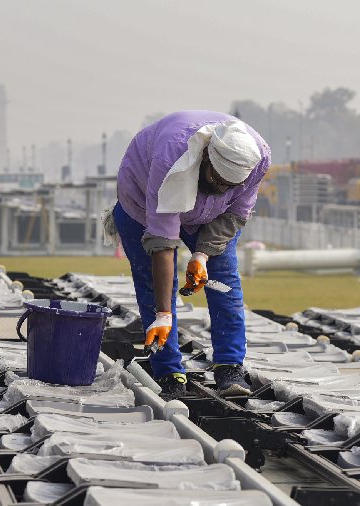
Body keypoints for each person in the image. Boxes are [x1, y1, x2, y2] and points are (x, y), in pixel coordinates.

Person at [108, 110, 271, 400]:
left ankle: (229, 367)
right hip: (142, 208)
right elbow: (162, 241)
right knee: (155, 288)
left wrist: (202, 256)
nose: (221, 189)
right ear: (206, 158)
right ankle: (169, 371)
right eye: (217, 180)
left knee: (224, 282)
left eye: (229, 186)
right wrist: (163, 313)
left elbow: (235, 213)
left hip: (211, 217)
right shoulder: (171, 156)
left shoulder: (258, 159)